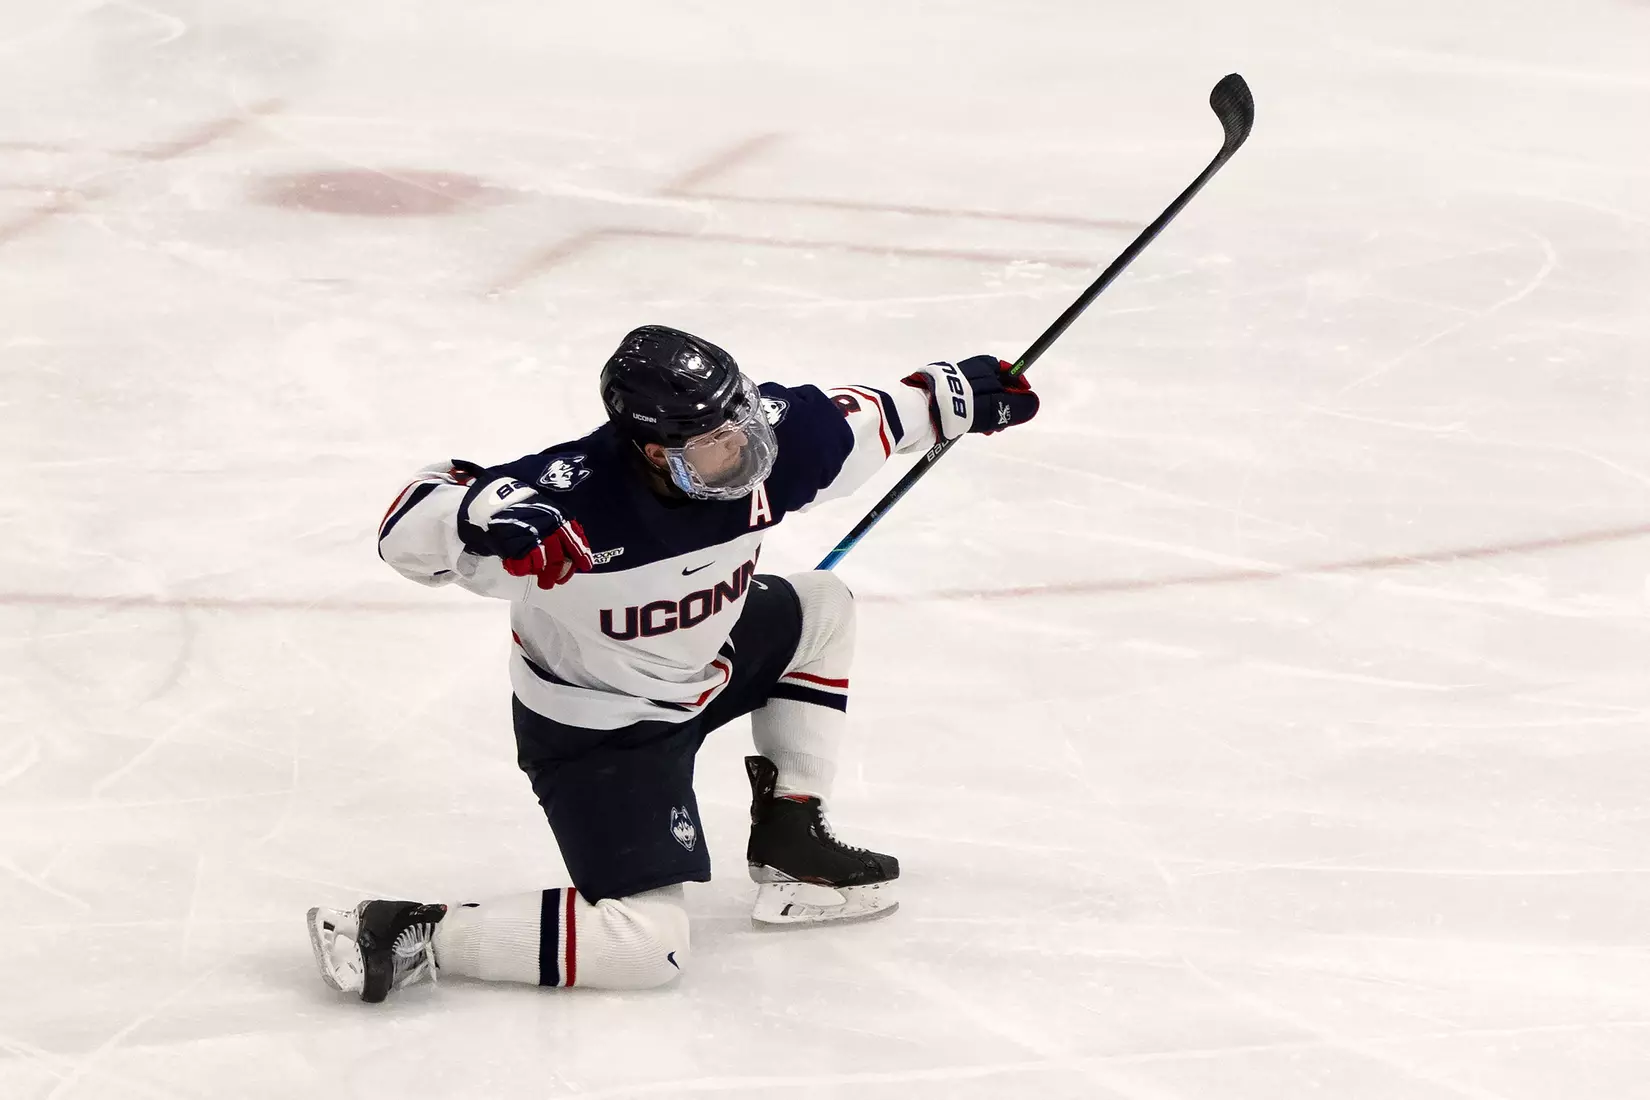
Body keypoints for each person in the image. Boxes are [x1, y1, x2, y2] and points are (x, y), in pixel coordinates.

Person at [307, 325, 1039, 1002]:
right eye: (721, 446)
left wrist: (957, 394)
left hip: (707, 667)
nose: (750, 457)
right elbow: (408, 528)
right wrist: (470, 518)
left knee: (821, 607)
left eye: (745, 426)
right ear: (656, 452)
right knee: (646, 950)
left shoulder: (776, 448)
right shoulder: (568, 512)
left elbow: (881, 416)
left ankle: (791, 831)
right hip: (601, 733)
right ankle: (412, 930)